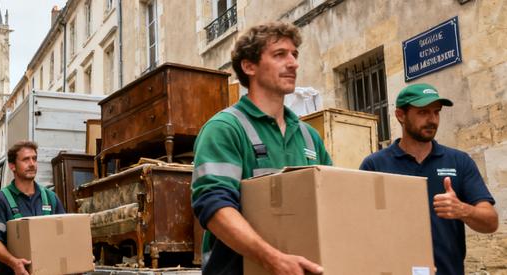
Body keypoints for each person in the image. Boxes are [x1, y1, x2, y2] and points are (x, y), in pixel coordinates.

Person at [190, 21, 333, 275]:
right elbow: (213, 206)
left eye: (294, 54)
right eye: (280, 54)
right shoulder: (224, 129)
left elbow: (332, 203)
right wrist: (274, 260)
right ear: (249, 66)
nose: (293, 63)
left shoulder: (309, 137)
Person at [359, 83, 498, 275]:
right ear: (401, 115)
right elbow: (359, 229)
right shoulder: (375, 165)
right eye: (423, 112)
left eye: (436, 112)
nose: (432, 120)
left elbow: (491, 222)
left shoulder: (459, 161)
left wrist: (463, 209)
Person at [0, 141, 66, 275]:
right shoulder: (0, 200)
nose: (32, 164)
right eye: (26, 159)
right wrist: (13, 262)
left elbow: (63, 235)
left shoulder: (51, 198)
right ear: (12, 166)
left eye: (34, 159)